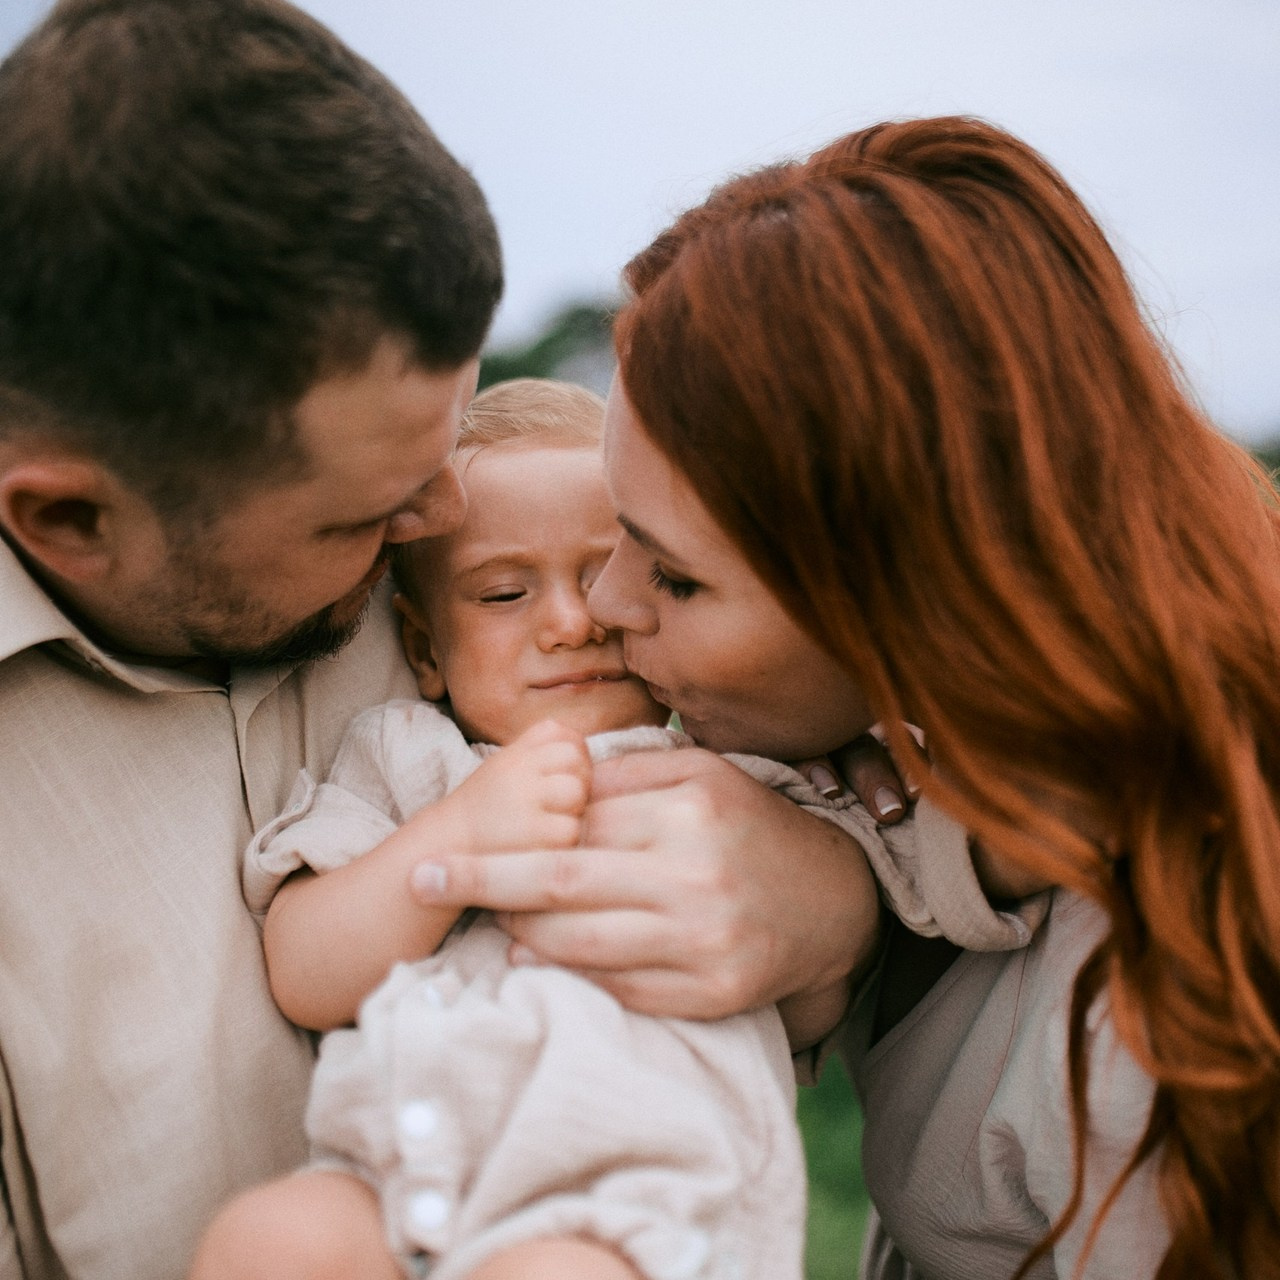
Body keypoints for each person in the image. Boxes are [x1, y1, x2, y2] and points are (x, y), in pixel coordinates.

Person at [409, 118, 1280, 1279]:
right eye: (620, 531)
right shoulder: (913, 759)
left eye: (675, 574)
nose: (607, 605)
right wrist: (850, 900)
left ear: (910, 600)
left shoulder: (1170, 1023)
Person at [191, 379, 1030, 1280]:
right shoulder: (404, 758)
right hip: (394, 1169)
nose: (570, 621)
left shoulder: (736, 767)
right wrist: (452, 842)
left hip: (634, 1210)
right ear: (426, 651)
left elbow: (815, 997)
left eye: (607, 574)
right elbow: (304, 969)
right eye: (505, 593)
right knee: (269, 1242)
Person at [0, 0, 503, 1274]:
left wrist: (807, 886)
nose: (446, 513)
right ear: (69, 515)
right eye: (366, 513)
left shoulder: (472, 573)